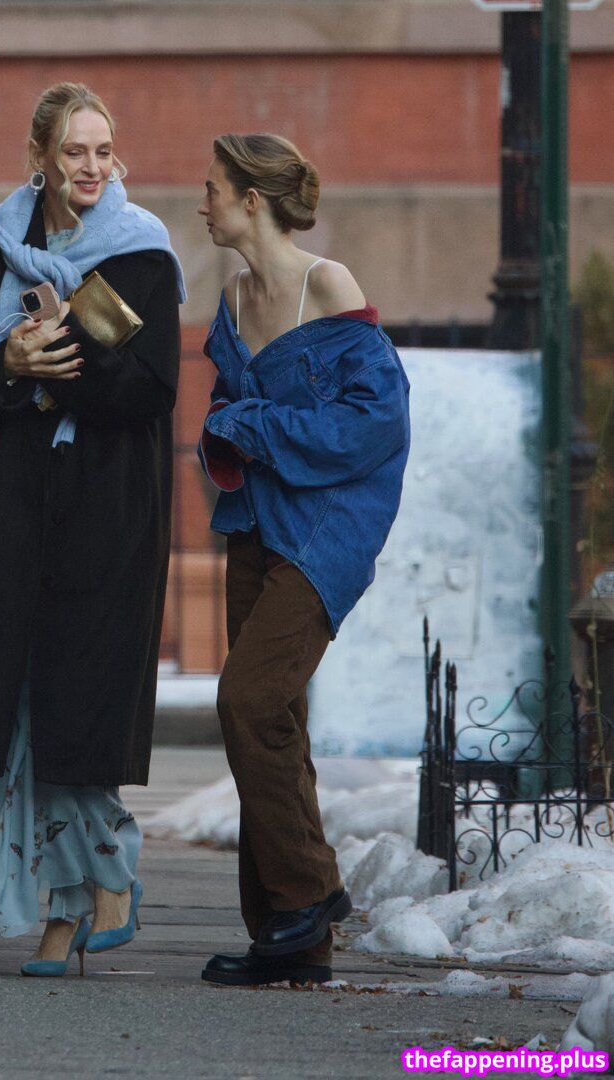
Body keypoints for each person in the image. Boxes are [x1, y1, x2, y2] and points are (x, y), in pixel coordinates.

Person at [0, 82, 184, 977]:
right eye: (74, 151)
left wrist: (59, 354)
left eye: (103, 151)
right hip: (22, 496)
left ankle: (106, 878)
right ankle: (65, 905)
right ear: (40, 157)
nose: (91, 167)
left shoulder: (141, 250)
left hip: (109, 499)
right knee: (18, 697)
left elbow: (151, 389)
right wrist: (9, 360)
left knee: (80, 698)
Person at [196, 133, 410, 987]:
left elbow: (374, 424)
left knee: (246, 699)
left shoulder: (328, 284)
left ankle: (311, 893)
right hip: (253, 524)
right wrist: (227, 426)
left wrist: (250, 426)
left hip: (327, 529)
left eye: (212, 190)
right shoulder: (232, 296)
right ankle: (289, 942)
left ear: (252, 199)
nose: (202, 205)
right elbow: (227, 404)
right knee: (272, 718)